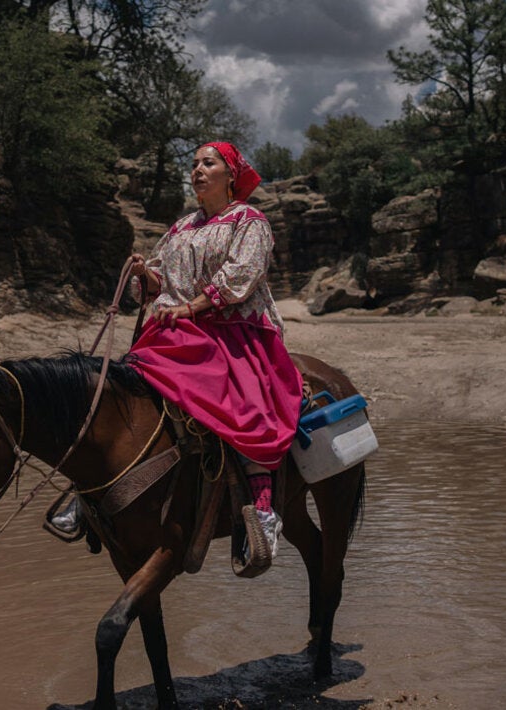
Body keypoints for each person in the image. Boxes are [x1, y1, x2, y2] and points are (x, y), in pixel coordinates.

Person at [123, 141, 302, 576]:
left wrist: (192, 307)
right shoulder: (181, 227)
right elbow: (161, 280)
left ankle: (263, 507)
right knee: (122, 386)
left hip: (233, 328)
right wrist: (145, 275)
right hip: (177, 329)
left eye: (209, 163)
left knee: (246, 406)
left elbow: (242, 275)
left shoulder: (249, 220)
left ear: (231, 174)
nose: (198, 170)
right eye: (194, 164)